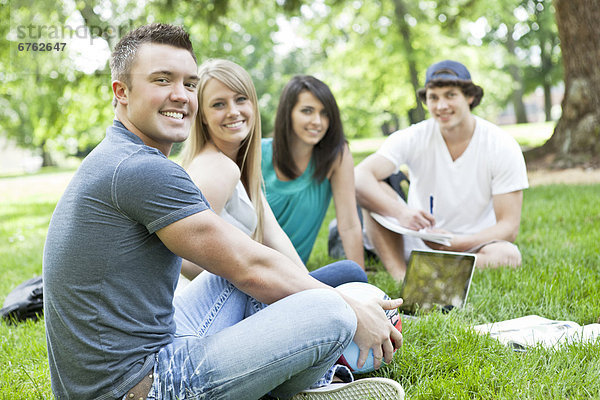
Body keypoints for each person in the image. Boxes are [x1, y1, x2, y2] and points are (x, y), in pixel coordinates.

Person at [42, 23, 404, 400]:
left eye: (188, 83)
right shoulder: (139, 168)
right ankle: (312, 384)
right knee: (332, 313)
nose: (180, 95)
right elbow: (250, 267)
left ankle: (300, 375)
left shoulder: (125, 156)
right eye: (162, 80)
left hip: (153, 345)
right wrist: (351, 310)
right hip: (140, 386)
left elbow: (251, 259)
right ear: (122, 92)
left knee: (264, 285)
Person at [179, 59, 366, 287]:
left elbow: (275, 236)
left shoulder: (241, 165)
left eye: (240, 100)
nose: (233, 112)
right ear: (203, 115)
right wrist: (248, 274)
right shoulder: (217, 168)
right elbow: (183, 259)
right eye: (218, 104)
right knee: (349, 275)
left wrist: (313, 289)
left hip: (259, 282)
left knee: (348, 276)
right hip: (231, 298)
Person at [355, 60, 528, 281]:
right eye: (433, 97)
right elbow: (359, 177)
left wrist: (454, 244)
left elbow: (509, 227)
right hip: (418, 237)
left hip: (473, 243)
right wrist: (403, 214)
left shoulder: (501, 144)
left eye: (450, 95)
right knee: (373, 193)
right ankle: (401, 275)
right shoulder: (415, 136)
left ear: (470, 97)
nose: (441, 106)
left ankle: (430, 268)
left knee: (508, 255)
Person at [262, 75, 365, 269]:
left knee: (348, 273)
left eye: (325, 113)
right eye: (307, 111)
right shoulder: (256, 154)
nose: (318, 121)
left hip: (294, 273)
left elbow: (349, 224)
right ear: (288, 113)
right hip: (248, 268)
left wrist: (361, 283)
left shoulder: (336, 156)